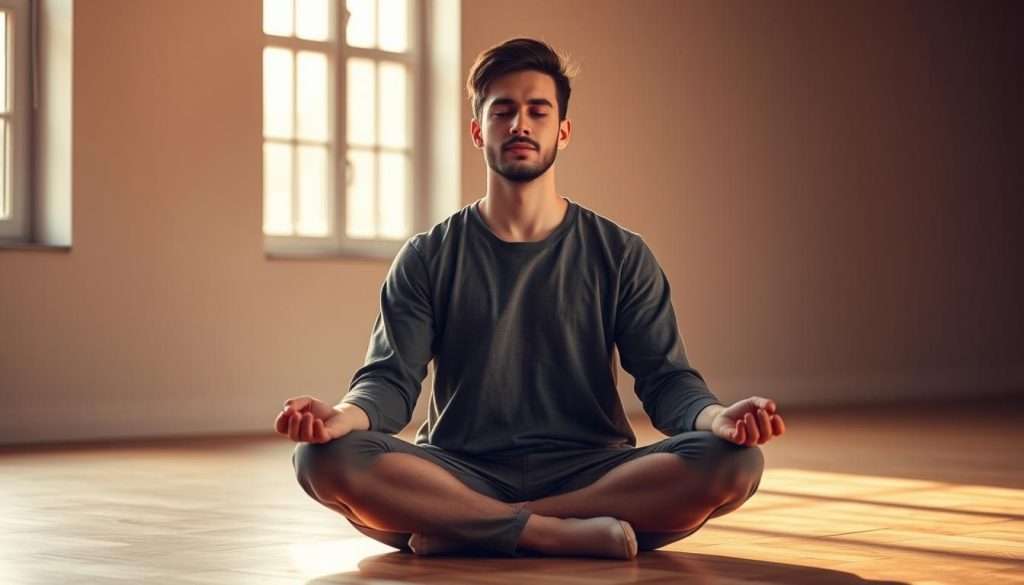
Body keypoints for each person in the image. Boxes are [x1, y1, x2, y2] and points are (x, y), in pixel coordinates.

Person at [276, 37, 785, 560]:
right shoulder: (428, 255)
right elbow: (388, 381)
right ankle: (551, 532)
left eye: (537, 111)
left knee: (734, 463)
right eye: (503, 112)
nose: (520, 124)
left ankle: (471, 529)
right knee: (320, 461)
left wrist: (717, 418)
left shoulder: (621, 253)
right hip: (459, 469)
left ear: (562, 131)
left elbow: (667, 380)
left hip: (591, 470)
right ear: (478, 131)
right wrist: (340, 417)